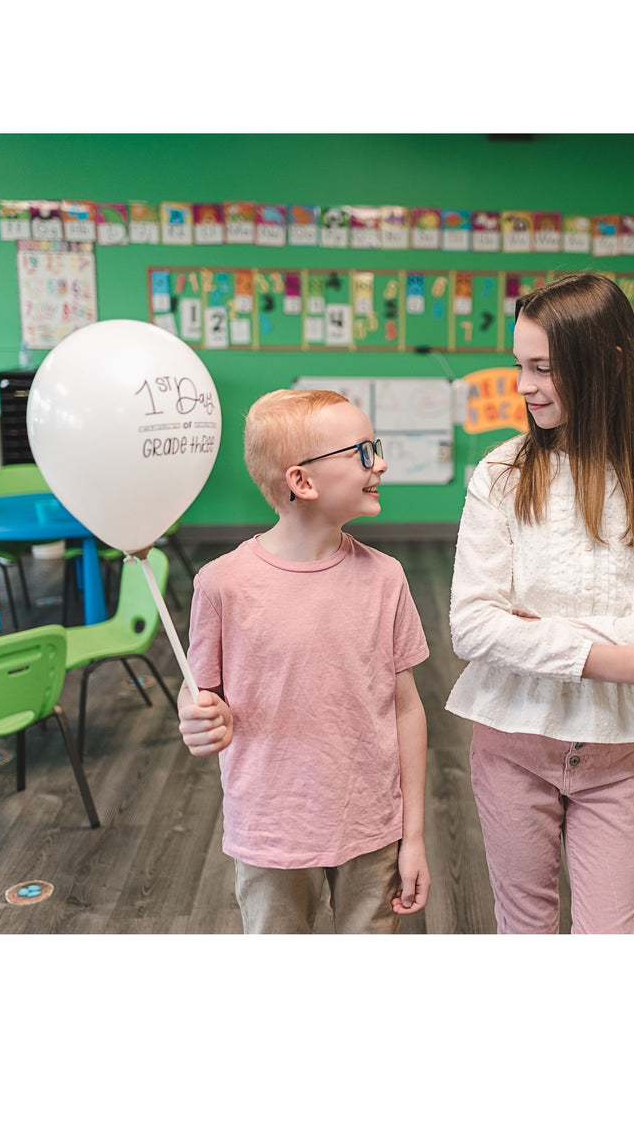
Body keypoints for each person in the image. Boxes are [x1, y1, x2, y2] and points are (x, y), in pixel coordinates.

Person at [447, 272, 634, 934]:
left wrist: (531, 630)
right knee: (524, 927)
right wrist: (617, 659)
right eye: (519, 366)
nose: (524, 386)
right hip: (510, 744)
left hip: (613, 754)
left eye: (543, 368)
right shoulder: (501, 474)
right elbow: (473, 628)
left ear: (608, 362)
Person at [177, 388, 431, 934]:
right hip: (270, 831)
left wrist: (414, 837)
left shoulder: (386, 578)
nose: (379, 463)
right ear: (302, 481)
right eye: (361, 453)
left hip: (371, 827)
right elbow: (200, 691)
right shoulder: (222, 583)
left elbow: (408, 710)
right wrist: (195, 717)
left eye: (375, 447)